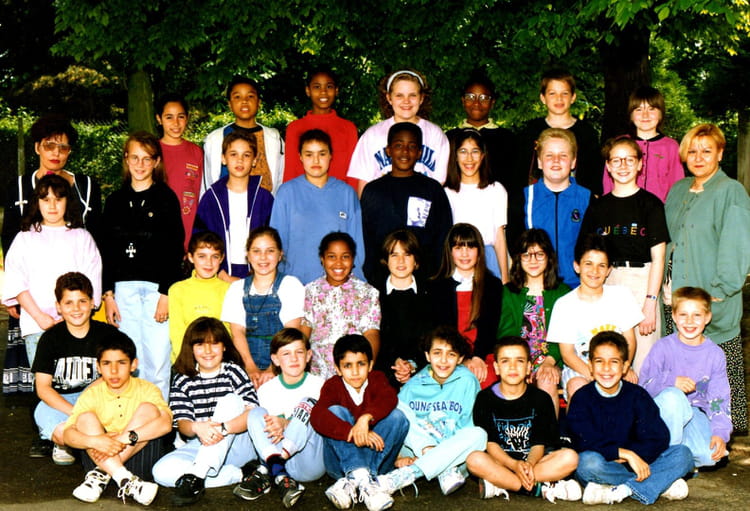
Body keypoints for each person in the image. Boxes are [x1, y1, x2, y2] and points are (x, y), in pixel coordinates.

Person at [664, 123, 750, 434]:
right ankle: (688, 434)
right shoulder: (678, 190)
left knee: (718, 374)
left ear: (720, 154)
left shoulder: (730, 191)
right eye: (692, 151)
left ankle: (723, 436)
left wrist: (720, 289)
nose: (698, 157)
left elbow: (737, 244)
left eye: (707, 151)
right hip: (675, 297)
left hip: (712, 298)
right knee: (682, 373)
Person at [99, 132, 184, 399]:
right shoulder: (114, 201)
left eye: (147, 159)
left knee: (157, 359)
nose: (140, 164)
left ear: (156, 162)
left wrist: (166, 294)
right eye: (134, 158)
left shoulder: (166, 198)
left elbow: (174, 249)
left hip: (156, 290)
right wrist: (108, 295)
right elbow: (106, 251)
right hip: (123, 290)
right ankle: (131, 413)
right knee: (129, 357)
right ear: (126, 159)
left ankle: (158, 415)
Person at [567, 331, 694, 505]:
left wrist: (635, 456)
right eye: (599, 361)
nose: (606, 368)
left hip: (641, 463)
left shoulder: (637, 395)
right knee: (587, 463)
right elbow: (583, 440)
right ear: (590, 365)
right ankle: (658, 483)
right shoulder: (582, 398)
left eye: (614, 362)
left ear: (625, 366)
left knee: (683, 454)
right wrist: (624, 454)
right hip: (606, 465)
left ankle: (624, 490)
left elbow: (658, 437)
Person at [580, 137, 669, 373]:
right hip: (606, 282)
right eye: (616, 160)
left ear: (640, 164)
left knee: (644, 363)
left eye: (629, 160)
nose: (623, 165)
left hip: (642, 283)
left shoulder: (651, 204)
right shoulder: (598, 207)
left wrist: (650, 303)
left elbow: (659, 258)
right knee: (608, 357)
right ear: (608, 166)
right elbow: (585, 252)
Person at [152, 317, 258, 506]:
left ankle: (198, 474)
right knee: (160, 472)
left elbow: (253, 413)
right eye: (200, 344)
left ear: (224, 347)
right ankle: (241, 474)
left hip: (237, 443)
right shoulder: (182, 380)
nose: (208, 351)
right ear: (191, 349)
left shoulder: (234, 372)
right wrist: (197, 428)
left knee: (230, 400)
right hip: (201, 444)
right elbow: (183, 425)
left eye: (214, 343)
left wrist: (221, 429)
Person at [2, 174, 102, 366]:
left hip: (76, 325)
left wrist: (71, 317)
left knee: (76, 380)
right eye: (46, 200)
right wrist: (40, 317)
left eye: (58, 199)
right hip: (37, 326)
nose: (52, 206)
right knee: (45, 380)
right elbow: (16, 282)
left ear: (68, 201)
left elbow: (92, 284)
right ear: (37, 202)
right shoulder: (24, 238)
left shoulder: (82, 238)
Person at [377, 326, 487, 498]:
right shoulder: (413, 384)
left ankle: (409, 474)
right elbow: (401, 426)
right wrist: (399, 457)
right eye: (437, 353)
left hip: (455, 459)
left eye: (451, 354)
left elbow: (469, 425)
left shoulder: (467, 380)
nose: (443, 360)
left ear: (460, 358)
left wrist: (441, 454)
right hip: (418, 452)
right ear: (427, 356)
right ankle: (433, 460)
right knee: (395, 405)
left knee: (479, 434)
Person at [63, 334, 173, 506]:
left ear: (133, 364)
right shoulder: (91, 394)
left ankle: (102, 475)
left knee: (149, 409)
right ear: (98, 367)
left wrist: (124, 438)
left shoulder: (148, 389)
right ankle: (126, 480)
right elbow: (67, 435)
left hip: (137, 458)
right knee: (85, 418)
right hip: (99, 454)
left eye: (121, 363)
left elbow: (166, 424)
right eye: (107, 364)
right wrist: (97, 441)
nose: (114, 371)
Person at [467, 336, 580, 502]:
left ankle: (504, 483)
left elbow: (538, 444)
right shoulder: (485, 398)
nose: (512, 367)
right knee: (474, 460)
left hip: (534, 464)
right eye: (505, 361)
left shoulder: (541, 398)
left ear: (528, 367)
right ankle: (536, 488)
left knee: (570, 458)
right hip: (502, 463)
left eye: (519, 361)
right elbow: (491, 444)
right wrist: (514, 465)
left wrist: (528, 465)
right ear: (496, 367)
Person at [31, 272, 127, 466]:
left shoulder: (109, 335)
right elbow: (43, 388)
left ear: (93, 303)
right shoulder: (50, 338)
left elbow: (120, 373)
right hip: (59, 402)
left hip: (97, 397)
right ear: (58, 307)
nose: (76, 309)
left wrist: (87, 406)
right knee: (62, 432)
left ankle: (96, 456)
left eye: (82, 301)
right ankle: (78, 442)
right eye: (68, 303)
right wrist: (77, 413)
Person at [310, 334, 409, 511]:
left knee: (398, 417)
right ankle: (363, 479)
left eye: (361, 364)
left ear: (370, 365)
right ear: (338, 369)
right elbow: (317, 415)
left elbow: (389, 398)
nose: (355, 372)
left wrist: (365, 418)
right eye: (348, 365)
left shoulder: (377, 378)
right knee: (335, 412)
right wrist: (352, 431)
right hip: (340, 465)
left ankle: (361, 481)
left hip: (377, 461)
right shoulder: (333, 385)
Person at [640, 287, 731, 468]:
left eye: (697, 315)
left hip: (693, 412)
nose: (689, 321)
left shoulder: (715, 354)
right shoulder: (662, 347)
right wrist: (670, 381)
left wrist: (720, 432)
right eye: (683, 315)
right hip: (662, 411)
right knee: (674, 397)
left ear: (707, 317)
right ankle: (669, 463)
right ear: (674, 316)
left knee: (711, 455)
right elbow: (643, 387)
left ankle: (679, 456)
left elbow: (718, 398)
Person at [546, 234, 642, 401]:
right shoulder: (564, 304)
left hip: (616, 364)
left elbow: (630, 340)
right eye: (588, 264)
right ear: (577, 266)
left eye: (601, 265)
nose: (595, 271)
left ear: (609, 270)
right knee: (578, 388)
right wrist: (595, 375)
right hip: (580, 367)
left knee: (630, 388)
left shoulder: (622, 295)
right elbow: (568, 354)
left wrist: (625, 367)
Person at [237, 328, 326, 508]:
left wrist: (286, 424)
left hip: (308, 463)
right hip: (278, 456)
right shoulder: (266, 390)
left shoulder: (320, 385)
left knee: (308, 402)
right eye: (286, 354)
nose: (294, 358)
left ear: (308, 356)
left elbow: (323, 426)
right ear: (275, 359)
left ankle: (272, 469)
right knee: (255, 412)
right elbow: (267, 431)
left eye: (299, 352)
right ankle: (281, 476)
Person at [360, 122, 453, 283]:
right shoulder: (373, 190)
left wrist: (435, 276)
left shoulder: (432, 189)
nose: (405, 151)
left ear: (419, 153)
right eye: (398, 145)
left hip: (425, 279)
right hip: (382, 279)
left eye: (412, 146)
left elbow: (443, 235)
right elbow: (366, 238)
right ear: (388, 150)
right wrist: (373, 275)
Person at [271, 129, 364, 284]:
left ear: (330, 155)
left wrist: (356, 283)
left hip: (338, 284)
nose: (316, 160)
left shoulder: (346, 193)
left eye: (322, 154)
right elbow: (277, 243)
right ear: (300, 157)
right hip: (296, 283)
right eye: (309, 154)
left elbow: (357, 244)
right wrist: (279, 282)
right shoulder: (286, 192)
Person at [498, 229, 570, 416]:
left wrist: (549, 361)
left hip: (553, 359)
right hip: (517, 360)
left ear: (549, 258)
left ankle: (549, 433)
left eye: (539, 254)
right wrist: (522, 364)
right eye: (526, 255)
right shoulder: (508, 292)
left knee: (547, 380)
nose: (533, 260)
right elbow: (505, 335)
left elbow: (565, 335)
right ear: (518, 259)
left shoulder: (562, 292)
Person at [221, 226, 304, 388]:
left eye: (270, 251)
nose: (263, 257)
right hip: (245, 364)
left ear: (280, 254)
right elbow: (237, 332)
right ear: (248, 255)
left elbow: (291, 333)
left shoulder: (291, 285)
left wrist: (273, 369)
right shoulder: (236, 289)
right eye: (256, 251)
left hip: (284, 365)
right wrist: (250, 368)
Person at [509, 128, 591, 289]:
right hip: (536, 286)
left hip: (577, 287)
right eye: (549, 155)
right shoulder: (523, 199)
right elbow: (514, 245)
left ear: (573, 162)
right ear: (539, 162)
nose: (556, 160)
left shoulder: (587, 199)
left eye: (563, 155)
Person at [347, 69, 449, 195]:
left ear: (421, 98)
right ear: (389, 98)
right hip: (383, 204)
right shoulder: (372, 135)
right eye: (399, 95)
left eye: (412, 95)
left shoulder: (435, 134)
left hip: (422, 203)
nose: (406, 101)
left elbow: (439, 181)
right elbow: (364, 182)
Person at [429, 223, 502, 387]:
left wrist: (477, 357)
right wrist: (461, 359)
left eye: (470, 247)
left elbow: (490, 328)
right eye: (458, 247)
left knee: (484, 378)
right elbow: (439, 330)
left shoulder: (492, 285)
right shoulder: (437, 287)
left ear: (479, 251)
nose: (465, 253)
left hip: (482, 355)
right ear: (450, 251)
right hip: (448, 355)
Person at [300, 232, 380, 381]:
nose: (338, 263)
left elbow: (371, 333)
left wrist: (366, 367)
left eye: (345, 256)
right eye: (332, 256)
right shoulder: (310, 291)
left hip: (354, 373)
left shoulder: (367, 293)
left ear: (353, 259)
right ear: (322, 259)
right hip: (318, 374)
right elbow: (304, 333)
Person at [194, 130, 274, 280]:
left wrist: (259, 273)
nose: (240, 160)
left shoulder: (264, 198)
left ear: (254, 160)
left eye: (246, 155)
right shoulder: (211, 198)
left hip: (258, 274)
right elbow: (200, 238)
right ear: (223, 158)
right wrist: (221, 273)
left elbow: (273, 240)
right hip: (219, 274)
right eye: (233, 154)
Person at [514, 69, 602, 195]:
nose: (559, 98)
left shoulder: (586, 133)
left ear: (573, 97)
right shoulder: (531, 131)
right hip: (537, 199)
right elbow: (520, 171)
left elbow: (595, 173)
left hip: (577, 200)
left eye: (564, 93)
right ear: (543, 98)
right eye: (552, 93)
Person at [443, 128, 509, 280]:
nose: (469, 158)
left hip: (488, 259)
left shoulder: (496, 190)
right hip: (457, 259)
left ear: (483, 155)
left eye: (475, 151)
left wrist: (505, 278)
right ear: (455, 156)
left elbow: (499, 237)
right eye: (463, 151)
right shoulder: (446, 193)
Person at [202, 75, 284, 196]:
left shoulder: (274, 138)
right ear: (229, 104)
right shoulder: (215, 139)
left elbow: (281, 177)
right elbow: (207, 182)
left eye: (250, 96)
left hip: (266, 205)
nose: (244, 101)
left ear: (259, 102)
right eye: (237, 97)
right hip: (225, 205)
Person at [602, 87, 683, 202]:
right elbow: (608, 182)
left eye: (651, 109)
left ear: (661, 114)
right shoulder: (619, 143)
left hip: (660, 210)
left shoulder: (671, 146)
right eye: (638, 110)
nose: (645, 115)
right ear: (631, 115)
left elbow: (677, 185)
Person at [375, 230, 433, 387]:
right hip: (383, 371)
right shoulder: (373, 294)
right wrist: (395, 363)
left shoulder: (431, 294)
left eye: (407, 254)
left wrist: (412, 365)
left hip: (424, 370)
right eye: (394, 255)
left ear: (416, 260)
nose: (401, 261)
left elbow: (432, 341)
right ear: (386, 260)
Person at [283, 68, 358, 188]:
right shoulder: (295, 128)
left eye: (329, 87)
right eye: (317, 87)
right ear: (308, 91)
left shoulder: (348, 128)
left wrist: (351, 197)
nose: (323, 92)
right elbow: (290, 171)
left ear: (336, 90)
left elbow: (353, 173)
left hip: (339, 195)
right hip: (303, 195)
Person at [445, 72, 517, 194]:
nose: (476, 103)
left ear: (492, 102)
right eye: (470, 97)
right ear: (463, 100)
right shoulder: (449, 138)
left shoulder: (508, 139)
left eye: (483, 98)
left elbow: (514, 181)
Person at [168, 231, 231, 363]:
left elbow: (229, 332)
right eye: (202, 256)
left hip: (220, 361)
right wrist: (187, 362)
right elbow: (177, 332)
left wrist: (220, 361)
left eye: (215, 256)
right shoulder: (177, 290)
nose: (209, 263)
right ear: (191, 257)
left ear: (222, 258)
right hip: (186, 361)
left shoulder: (228, 289)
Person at [156, 94, 204, 251]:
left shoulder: (196, 152)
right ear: (159, 119)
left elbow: (200, 192)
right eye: (169, 117)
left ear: (187, 118)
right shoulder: (152, 151)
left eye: (180, 116)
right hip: (159, 231)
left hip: (190, 229)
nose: (176, 123)